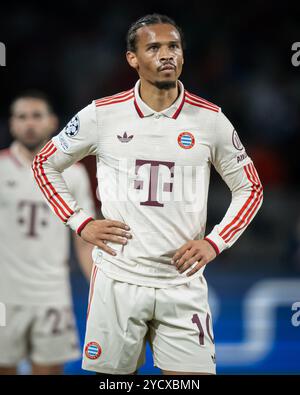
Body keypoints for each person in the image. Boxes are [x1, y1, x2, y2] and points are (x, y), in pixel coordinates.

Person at [32, 14, 263, 375]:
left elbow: (250, 189)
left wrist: (214, 243)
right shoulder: (101, 115)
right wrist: (80, 223)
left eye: (173, 46)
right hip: (119, 279)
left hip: (181, 283)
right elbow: (45, 163)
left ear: (183, 55)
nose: (166, 54)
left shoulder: (211, 120)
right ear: (133, 58)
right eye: (153, 47)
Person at [0, 91, 95, 375]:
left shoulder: (73, 174)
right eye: (22, 117)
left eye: (37, 116)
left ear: (53, 122)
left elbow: (84, 239)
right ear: (12, 124)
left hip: (51, 295)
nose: (29, 123)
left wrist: (98, 286)